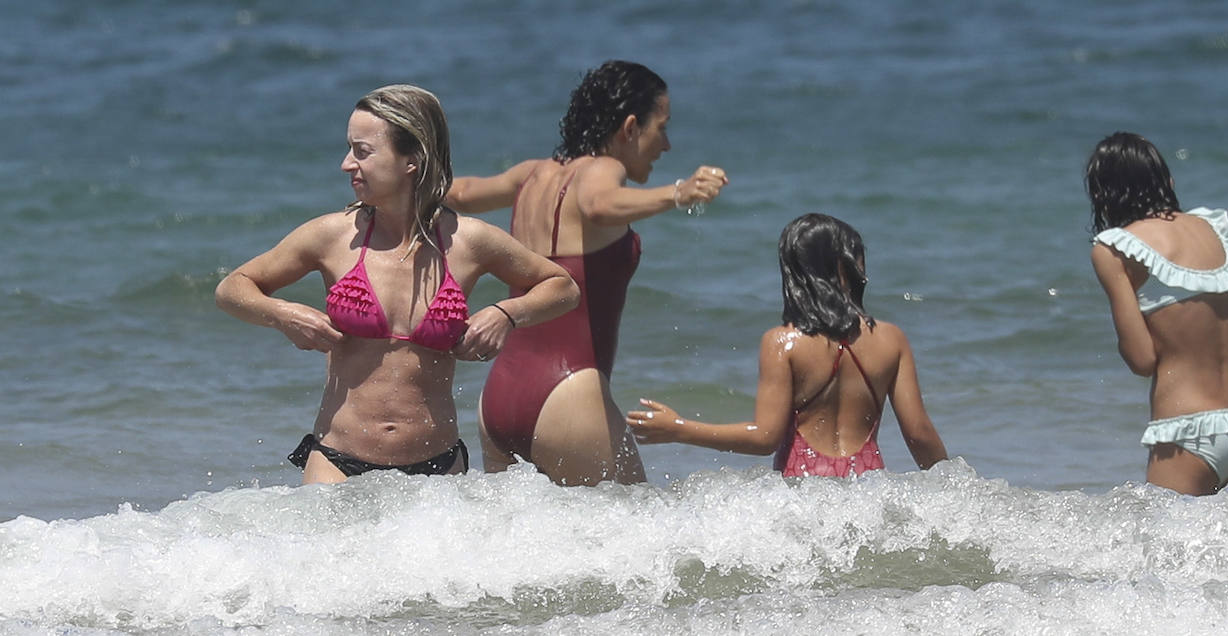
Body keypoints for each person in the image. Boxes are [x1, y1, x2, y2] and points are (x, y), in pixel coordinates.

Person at [215, 85, 579, 483]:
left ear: (412, 160)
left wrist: (506, 314)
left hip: (436, 465)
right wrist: (282, 314)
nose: (346, 164)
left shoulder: (469, 241)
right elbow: (233, 288)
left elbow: (562, 287)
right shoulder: (332, 236)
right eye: (349, 149)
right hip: (338, 460)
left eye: (362, 151)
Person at [445, 60, 728, 485]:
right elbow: (598, 204)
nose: (666, 144)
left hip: (500, 397)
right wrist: (678, 192)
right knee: (635, 537)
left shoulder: (531, 174)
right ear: (630, 127)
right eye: (662, 127)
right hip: (568, 393)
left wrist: (396, 181)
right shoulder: (602, 170)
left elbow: (460, 193)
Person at [627, 213, 947, 477]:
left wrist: (679, 428)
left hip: (802, 490)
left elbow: (765, 437)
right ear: (848, 268)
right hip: (866, 488)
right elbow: (919, 433)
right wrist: (956, 494)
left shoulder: (782, 343)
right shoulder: (891, 339)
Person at [1085, 131, 1228, 496]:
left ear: (1103, 193)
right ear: (1167, 180)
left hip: (1186, 432)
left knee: (1159, 551)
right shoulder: (1211, 228)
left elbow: (1142, 359)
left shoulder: (1114, 248)